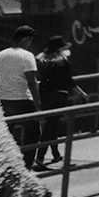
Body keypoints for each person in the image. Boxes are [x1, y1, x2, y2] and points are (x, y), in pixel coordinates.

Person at [0, 25, 44, 170]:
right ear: (25, 40)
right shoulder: (27, 56)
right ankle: (26, 167)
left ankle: (4, 166)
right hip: (24, 102)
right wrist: (38, 106)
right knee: (33, 133)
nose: (30, 44)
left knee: (4, 136)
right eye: (30, 41)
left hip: (4, 102)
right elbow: (32, 82)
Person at [34, 34, 88, 167]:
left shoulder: (40, 59)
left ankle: (56, 155)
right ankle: (40, 157)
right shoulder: (62, 61)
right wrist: (82, 94)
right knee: (51, 126)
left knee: (50, 124)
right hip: (59, 95)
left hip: (44, 94)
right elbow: (69, 81)